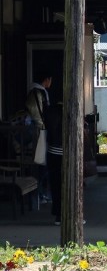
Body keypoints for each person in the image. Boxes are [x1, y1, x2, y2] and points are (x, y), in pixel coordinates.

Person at [25, 71, 52, 203]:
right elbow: (38, 114)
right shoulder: (37, 92)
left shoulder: (37, 91)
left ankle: (40, 193)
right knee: (41, 164)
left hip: (39, 130)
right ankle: (38, 194)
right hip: (38, 131)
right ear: (46, 79)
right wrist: (44, 127)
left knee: (42, 165)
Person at [45, 102, 63, 225]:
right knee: (70, 184)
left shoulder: (49, 112)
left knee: (55, 184)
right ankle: (71, 215)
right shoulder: (68, 111)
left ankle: (58, 215)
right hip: (66, 153)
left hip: (52, 152)